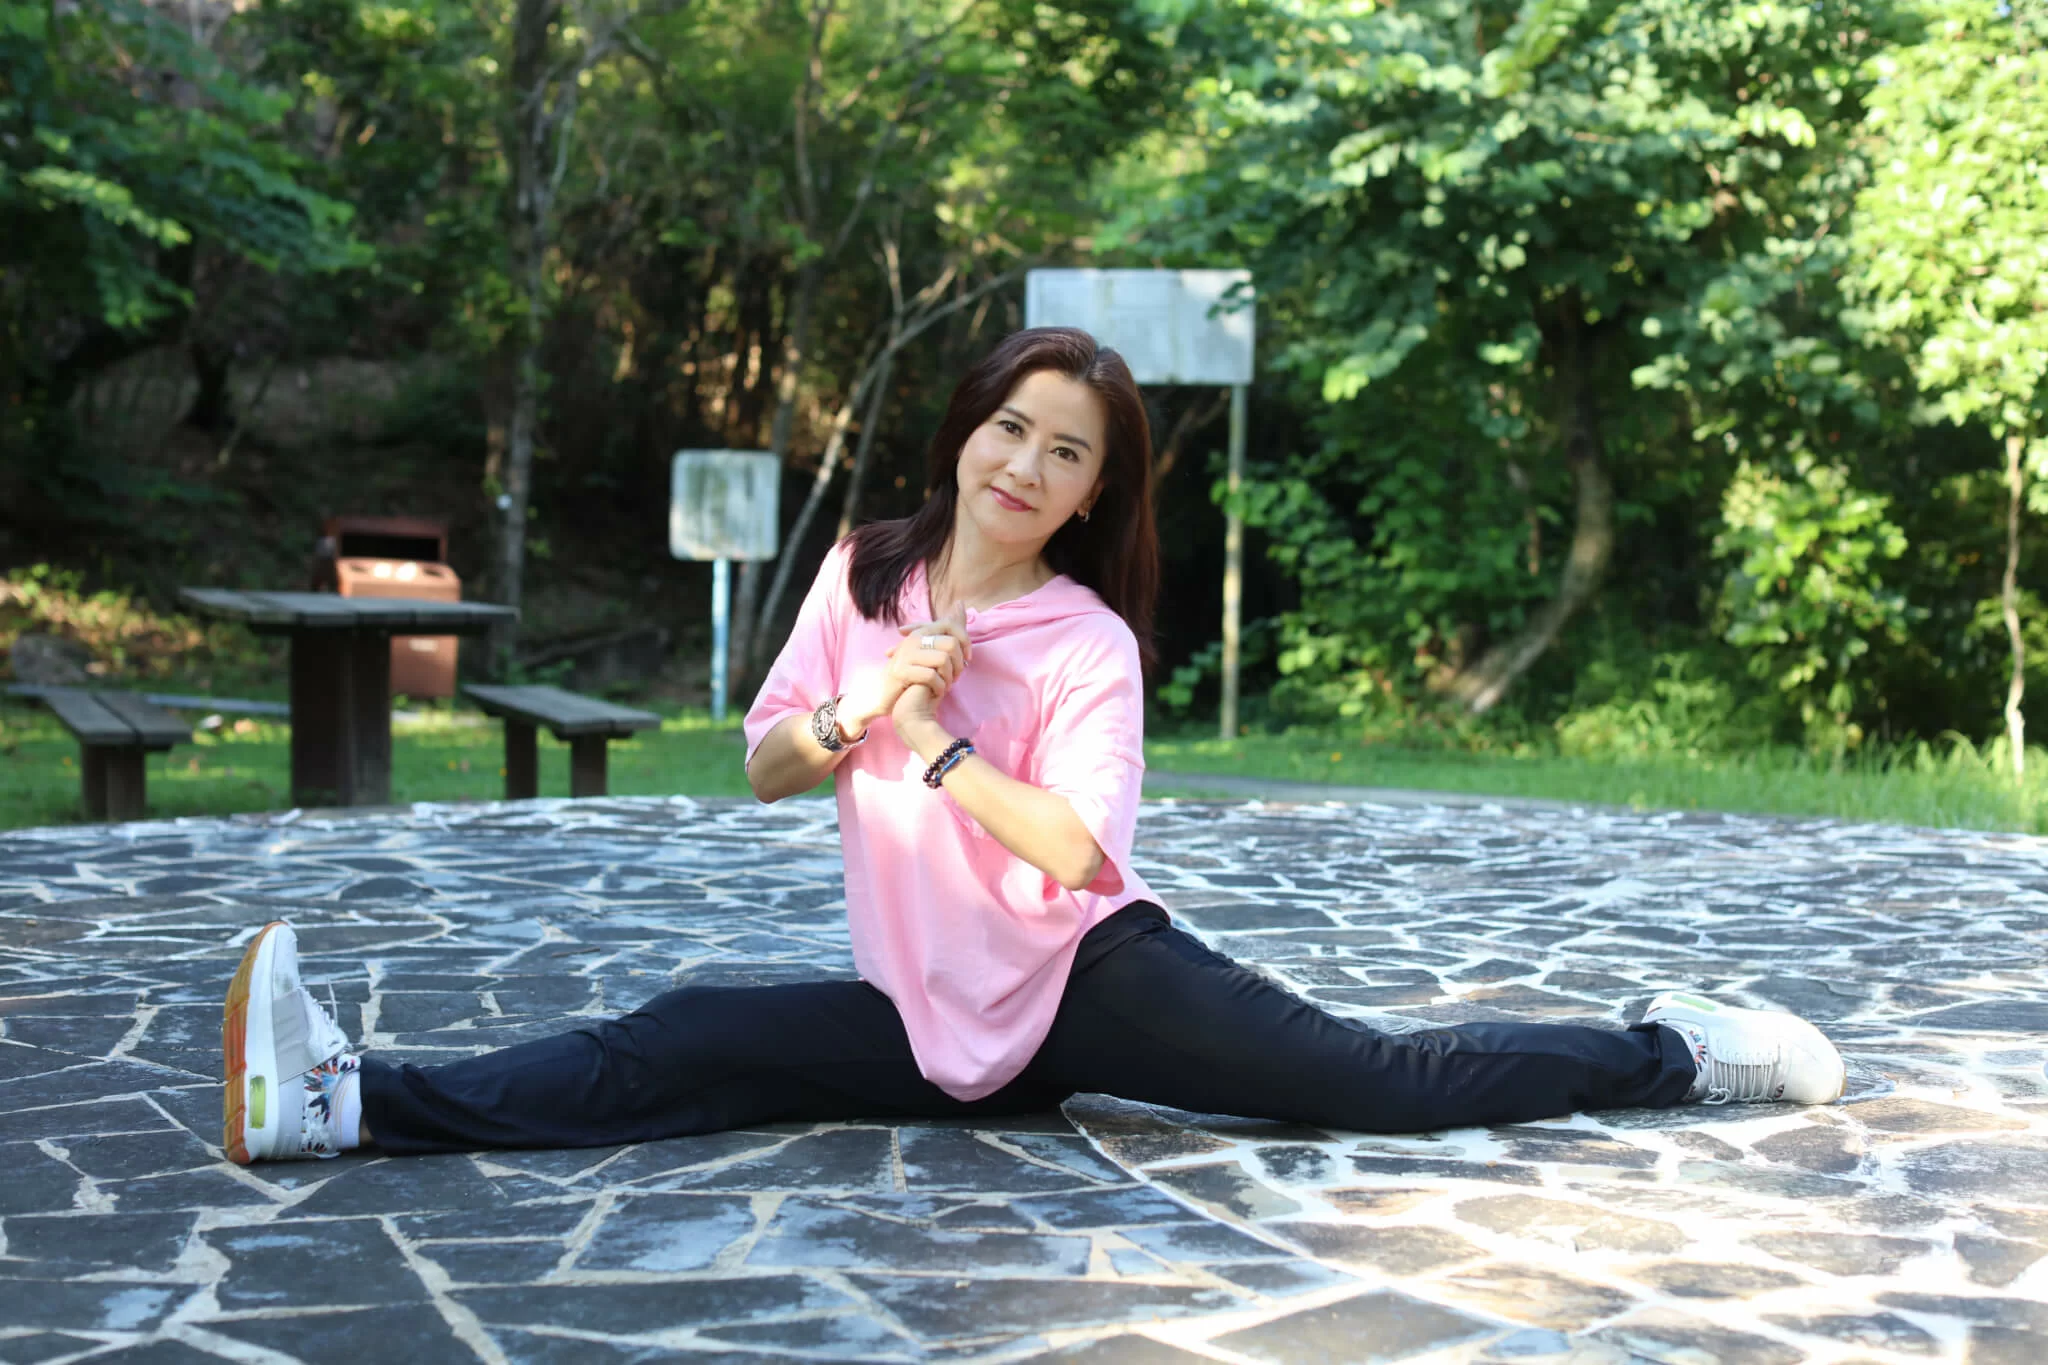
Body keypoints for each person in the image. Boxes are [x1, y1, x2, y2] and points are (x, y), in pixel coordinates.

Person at [220, 327, 1845, 1164]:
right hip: (924, 1009)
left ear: (1089, 495)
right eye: (1011, 426)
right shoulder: (864, 572)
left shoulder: (1086, 643)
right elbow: (768, 764)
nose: (1025, 463)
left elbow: (1080, 854)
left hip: (1091, 982)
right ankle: (350, 1106)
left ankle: (1675, 1055)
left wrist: (935, 746)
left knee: (1377, 1080)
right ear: (969, 432)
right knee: (683, 1041)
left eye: (1066, 453)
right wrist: (867, 704)